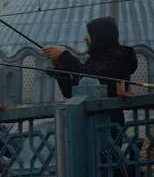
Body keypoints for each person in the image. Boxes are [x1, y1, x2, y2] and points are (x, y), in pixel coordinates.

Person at [42, 16, 137, 177]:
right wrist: (60, 68)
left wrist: (65, 56)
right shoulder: (95, 59)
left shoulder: (120, 58)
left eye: (89, 33)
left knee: (106, 166)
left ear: (100, 35)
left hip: (107, 123)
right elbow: (75, 90)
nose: (85, 37)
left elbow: (94, 80)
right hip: (87, 123)